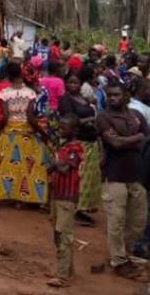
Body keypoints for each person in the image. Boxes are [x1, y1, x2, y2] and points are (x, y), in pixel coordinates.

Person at [97, 82, 150, 279]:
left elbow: (149, 138)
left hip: (137, 175)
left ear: (125, 95)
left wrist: (130, 139)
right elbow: (115, 143)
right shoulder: (103, 117)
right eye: (109, 95)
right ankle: (118, 260)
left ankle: (123, 254)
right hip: (114, 176)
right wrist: (138, 137)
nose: (112, 98)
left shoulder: (137, 116)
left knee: (138, 221)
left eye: (116, 95)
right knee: (116, 220)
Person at [0, 62, 50, 206]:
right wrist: (42, 133)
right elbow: (30, 117)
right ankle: (27, 197)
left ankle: (9, 194)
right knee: (29, 166)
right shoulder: (30, 93)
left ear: (8, 76)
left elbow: (4, 117)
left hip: (9, 133)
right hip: (26, 133)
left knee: (9, 166)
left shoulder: (4, 93)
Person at [46, 115, 84, 289]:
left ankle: (62, 276)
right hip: (58, 195)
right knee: (57, 233)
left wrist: (54, 164)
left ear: (74, 130)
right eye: (60, 127)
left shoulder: (75, 148)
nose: (60, 130)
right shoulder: (65, 146)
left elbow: (65, 168)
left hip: (67, 197)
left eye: (64, 127)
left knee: (64, 235)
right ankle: (67, 270)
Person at [58, 73, 101, 226]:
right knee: (79, 176)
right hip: (78, 142)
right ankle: (75, 209)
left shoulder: (84, 99)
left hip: (90, 141)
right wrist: (89, 120)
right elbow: (68, 122)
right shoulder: (65, 100)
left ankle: (83, 209)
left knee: (89, 178)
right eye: (70, 82)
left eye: (76, 83)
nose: (73, 85)